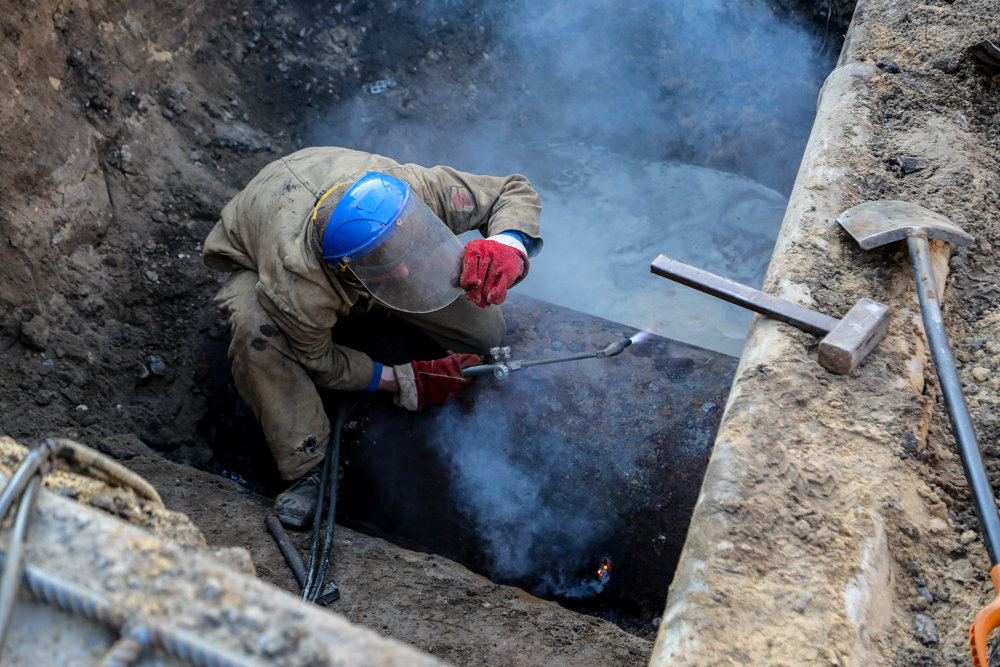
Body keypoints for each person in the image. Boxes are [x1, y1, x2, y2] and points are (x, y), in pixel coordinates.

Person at [202, 147, 542, 527]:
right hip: (256, 251)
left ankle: (385, 295)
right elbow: (319, 362)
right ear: (343, 271)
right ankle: (307, 469)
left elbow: (511, 190)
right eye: (384, 267)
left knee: (486, 331)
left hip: (330, 187)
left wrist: (508, 244)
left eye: (405, 252)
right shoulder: (297, 284)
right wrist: (403, 381)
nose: (406, 273)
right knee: (258, 335)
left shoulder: (413, 191)